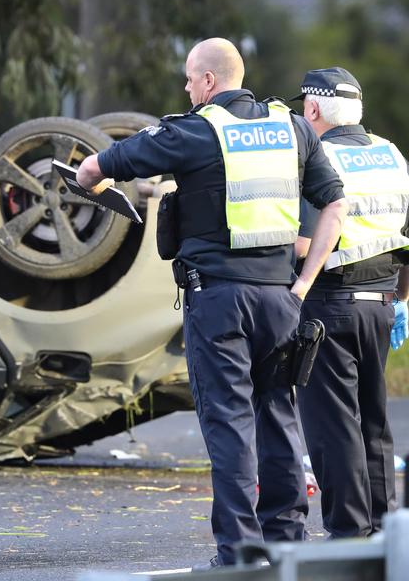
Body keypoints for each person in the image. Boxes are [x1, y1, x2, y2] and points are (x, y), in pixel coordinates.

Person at [76, 38, 347, 568]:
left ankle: (241, 556)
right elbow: (334, 203)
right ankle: (288, 546)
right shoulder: (290, 127)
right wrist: (302, 286)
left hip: (220, 300)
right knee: (278, 417)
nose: (185, 87)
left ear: (206, 82)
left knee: (228, 423)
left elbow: (96, 168)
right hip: (280, 300)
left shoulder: (195, 130)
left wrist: (88, 180)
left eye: (188, 78)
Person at [291, 67, 406, 538]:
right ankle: (384, 532)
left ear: (314, 109)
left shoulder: (318, 160)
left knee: (333, 425)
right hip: (381, 303)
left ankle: (348, 536)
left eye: (303, 105)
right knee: (374, 423)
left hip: (328, 305)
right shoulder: (390, 154)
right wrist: (402, 300)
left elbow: (303, 242)